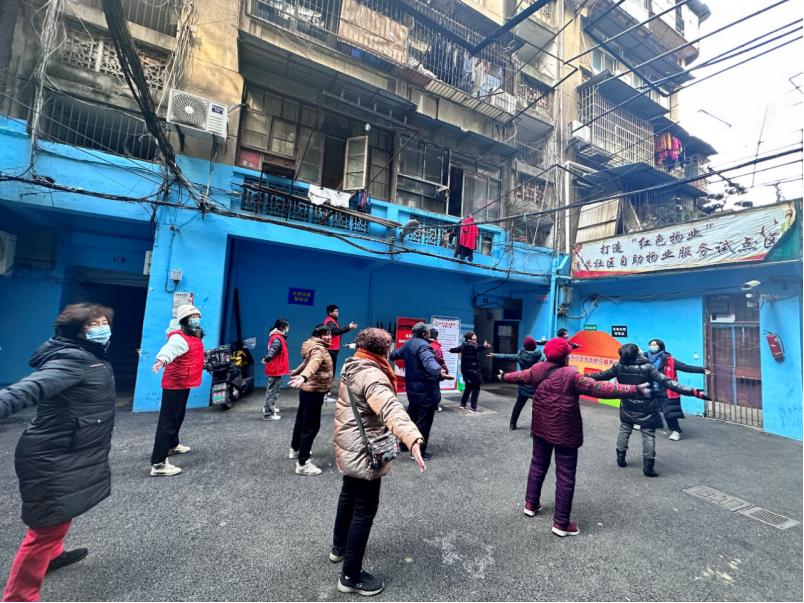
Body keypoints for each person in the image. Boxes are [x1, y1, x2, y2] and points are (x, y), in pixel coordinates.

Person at [1, 303, 116, 601]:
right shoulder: (71, 359)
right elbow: (27, 390)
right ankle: (19, 597)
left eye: (104, 323)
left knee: (62, 510)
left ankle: (52, 555)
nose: (102, 328)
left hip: (71, 448)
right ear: (76, 331)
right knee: (47, 528)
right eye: (93, 325)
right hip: (52, 455)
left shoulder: (90, 356)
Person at [500, 338, 651, 537]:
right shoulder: (572, 375)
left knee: (537, 465)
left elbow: (519, 376)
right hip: (565, 431)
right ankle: (561, 523)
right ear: (566, 356)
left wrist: (503, 376)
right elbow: (600, 388)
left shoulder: (537, 369)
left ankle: (530, 504)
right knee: (565, 475)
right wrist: (634, 389)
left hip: (541, 427)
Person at [331, 328, 426, 596]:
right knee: (364, 509)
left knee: (348, 495)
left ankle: (338, 548)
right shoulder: (373, 374)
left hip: (349, 442)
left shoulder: (353, 364)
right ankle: (350, 576)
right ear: (383, 350)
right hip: (364, 450)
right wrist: (412, 437)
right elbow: (390, 407)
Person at [588, 343, 711, 477]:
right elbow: (668, 382)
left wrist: (581, 376)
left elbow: (601, 375)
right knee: (648, 434)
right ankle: (648, 467)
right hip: (647, 405)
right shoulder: (647, 367)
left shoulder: (618, 366)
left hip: (627, 403)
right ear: (636, 353)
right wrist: (693, 392)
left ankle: (620, 459)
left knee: (624, 429)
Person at [149, 304, 205, 477]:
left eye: (197, 316)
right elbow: (169, 350)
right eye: (192, 316)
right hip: (175, 384)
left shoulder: (193, 335)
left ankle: (172, 445)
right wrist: (162, 360)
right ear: (184, 319)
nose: (196, 319)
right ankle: (158, 463)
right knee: (167, 422)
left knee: (178, 416)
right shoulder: (179, 337)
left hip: (184, 382)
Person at [389, 322, 445, 459]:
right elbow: (429, 360)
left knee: (412, 418)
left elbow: (394, 355)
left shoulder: (408, 344)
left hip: (412, 390)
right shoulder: (424, 346)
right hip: (426, 391)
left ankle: (404, 444)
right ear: (425, 333)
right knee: (423, 422)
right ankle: (418, 451)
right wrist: (439, 372)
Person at [288, 324, 334, 475]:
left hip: (307, 390)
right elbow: (314, 363)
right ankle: (303, 463)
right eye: (326, 334)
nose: (329, 337)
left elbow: (307, 362)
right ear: (318, 335)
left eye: (330, 334)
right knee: (311, 426)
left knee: (301, 421)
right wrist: (303, 376)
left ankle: (295, 449)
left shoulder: (312, 345)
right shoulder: (319, 349)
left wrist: (297, 372)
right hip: (314, 391)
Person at [646, 338, 710, 441]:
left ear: (660, 347)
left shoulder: (669, 360)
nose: (652, 347)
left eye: (655, 345)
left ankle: (676, 431)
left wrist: (701, 370)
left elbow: (685, 367)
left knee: (669, 412)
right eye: (651, 344)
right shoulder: (644, 358)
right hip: (648, 389)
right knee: (645, 408)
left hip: (665, 390)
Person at [489, 335, 543, 430]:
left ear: (524, 346)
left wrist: (495, 355)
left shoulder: (520, 356)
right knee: (537, 408)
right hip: (535, 385)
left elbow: (507, 356)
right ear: (535, 346)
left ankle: (512, 424)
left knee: (518, 405)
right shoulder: (541, 357)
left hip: (523, 383)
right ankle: (535, 429)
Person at [449, 331, 491, 413]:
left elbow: (458, 349)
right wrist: (484, 346)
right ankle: (473, 407)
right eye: (474, 335)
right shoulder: (471, 344)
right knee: (476, 387)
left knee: (468, 387)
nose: (476, 336)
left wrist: (451, 350)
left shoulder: (464, 343)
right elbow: (477, 348)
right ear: (470, 337)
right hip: (473, 370)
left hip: (465, 369)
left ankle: (463, 404)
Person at [261, 318, 290, 421]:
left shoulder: (276, 337)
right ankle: (268, 414)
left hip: (276, 368)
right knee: (272, 391)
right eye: (287, 326)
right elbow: (273, 350)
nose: (288, 328)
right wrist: (267, 358)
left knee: (273, 390)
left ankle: (270, 408)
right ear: (283, 327)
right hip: (275, 369)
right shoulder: (278, 338)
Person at [323, 304, 358, 376]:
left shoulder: (333, 321)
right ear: (330, 313)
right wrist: (348, 327)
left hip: (333, 349)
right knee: (329, 370)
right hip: (330, 349)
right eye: (336, 311)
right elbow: (335, 331)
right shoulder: (329, 321)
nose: (338, 313)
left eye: (338, 311)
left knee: (331, 370)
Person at [428, 327, 449, 412]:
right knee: (435, 388)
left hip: (425, 370)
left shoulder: (424, 344)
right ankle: (435, 406)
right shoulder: (436, 346)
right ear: (436, 336)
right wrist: (445, 368)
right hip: (435, 370)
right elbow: (440, 359)